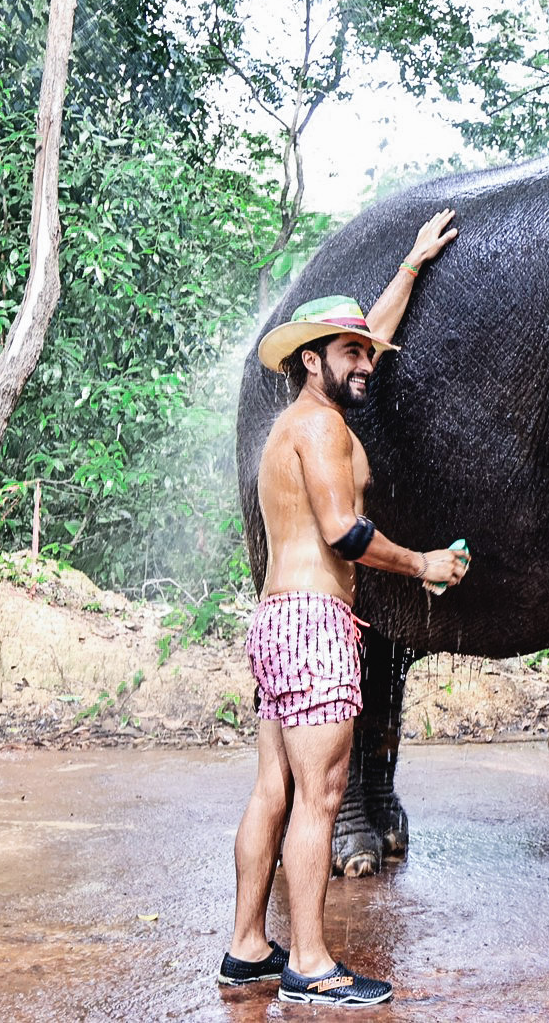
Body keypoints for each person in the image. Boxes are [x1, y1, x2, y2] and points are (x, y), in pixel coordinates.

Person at [216, 211, 468, 1007]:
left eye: (367, 351)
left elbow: (369, 340)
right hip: (317, 623)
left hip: (276, 624)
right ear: (310, 360)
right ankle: (312, 966)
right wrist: (423, 561)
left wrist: (410, 267)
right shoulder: (321, 431)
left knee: (272, 790)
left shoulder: (301, 416)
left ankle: (249, 948)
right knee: (323, 796)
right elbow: (346, 532)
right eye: (349, 352)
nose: (365, 363)